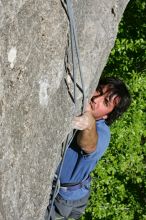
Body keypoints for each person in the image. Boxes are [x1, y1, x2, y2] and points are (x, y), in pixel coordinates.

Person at [45, 77, 131, 220]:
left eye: (105, 102)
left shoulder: (103, 133)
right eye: (99, 90)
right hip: (77, 192)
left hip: (64, 200)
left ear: (106, 115)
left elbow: (88, 145)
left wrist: (89, 123)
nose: (96, 99)